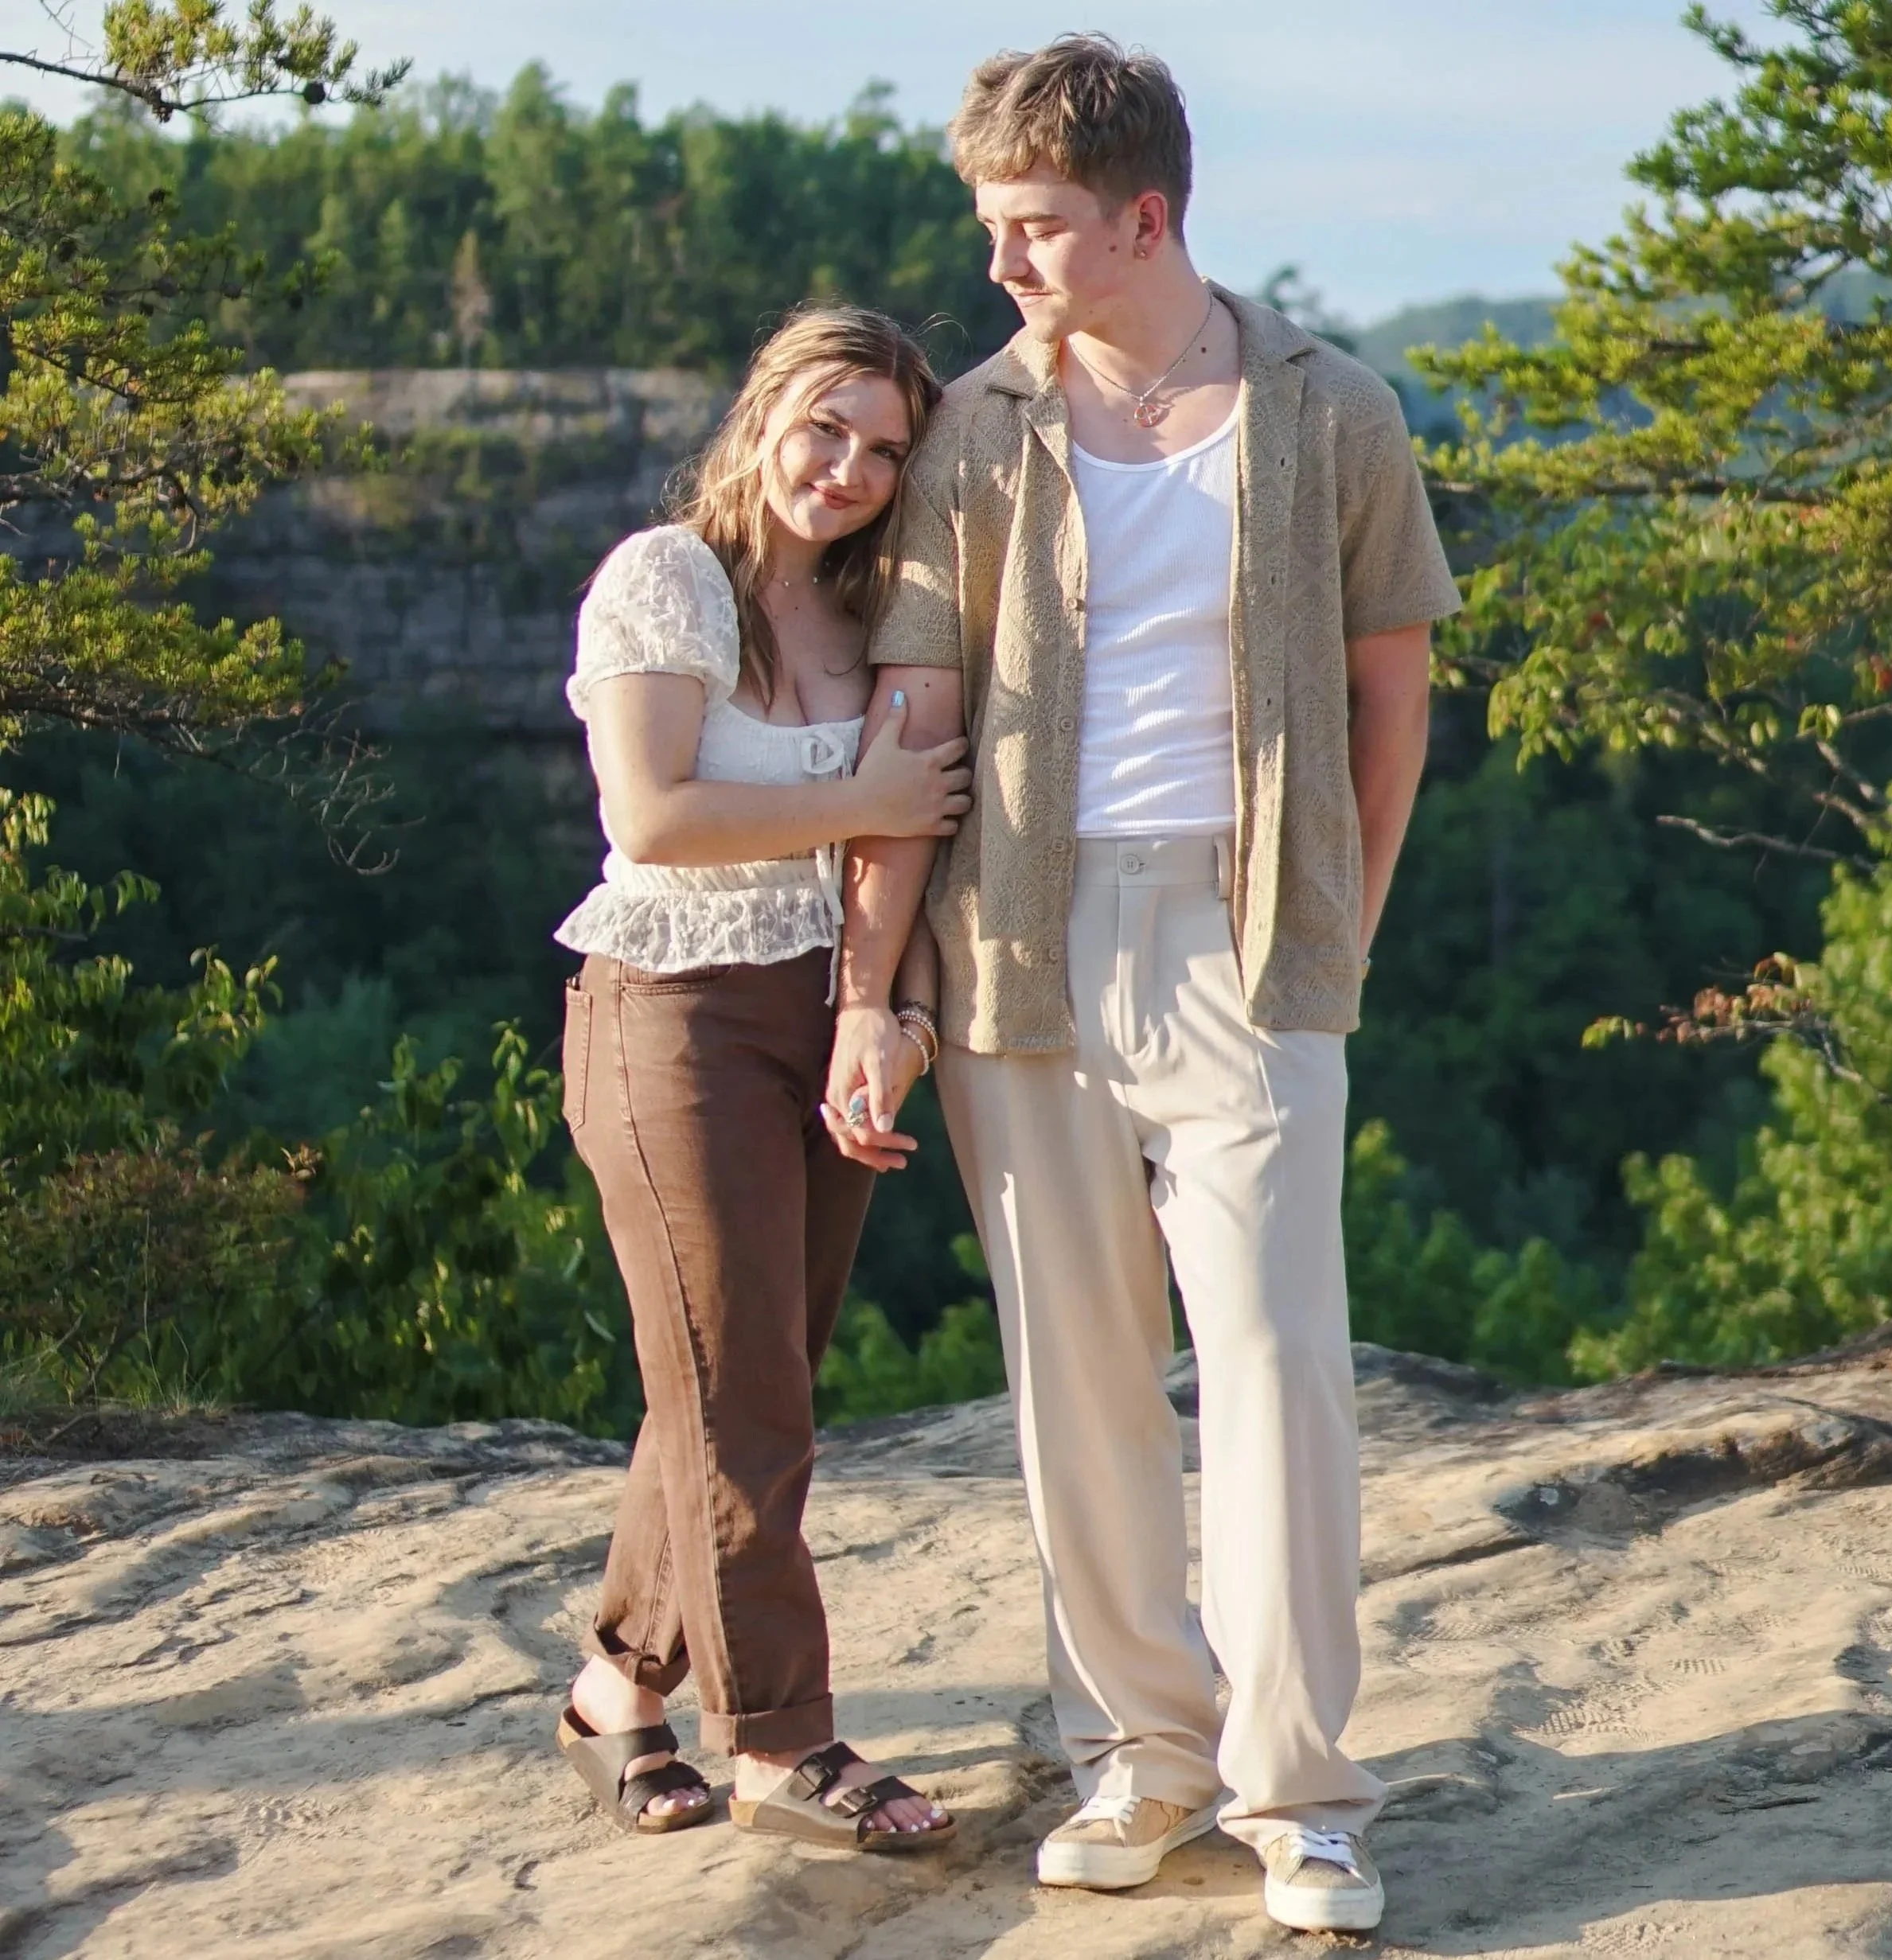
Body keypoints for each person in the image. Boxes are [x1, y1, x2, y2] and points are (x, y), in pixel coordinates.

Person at [823, 37, 1460, 1934]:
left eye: (1035, 230)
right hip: (1017, 936)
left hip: (1249, 935)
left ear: (1146, 216)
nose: (1004, 265)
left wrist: (1332, 926)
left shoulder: (1330, 409)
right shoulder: (974, 434)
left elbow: (1392, 696)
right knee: (1077, 1375)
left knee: (1273, 1364)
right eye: (993, 229)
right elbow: (911, 718)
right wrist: (875, 985)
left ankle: (1300, 1791)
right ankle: (1138, 1755)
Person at [553, 304, 967, 1853]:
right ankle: (784, 1746)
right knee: (745, 1396)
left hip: (825, 1011)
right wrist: (860, 788)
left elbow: (916, 849)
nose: (847, 470)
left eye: (883, 451)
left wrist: (898, 1015)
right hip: (672, 1009)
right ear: (763, 409)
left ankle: (615, 1692)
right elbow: (655, 813)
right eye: (824, 427)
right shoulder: (667, 580)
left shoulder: (874, 620)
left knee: (735, 1381)